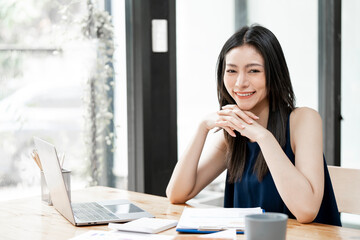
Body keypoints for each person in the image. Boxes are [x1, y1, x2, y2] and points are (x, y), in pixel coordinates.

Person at [166, 25, 341, 226]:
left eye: (254, 71)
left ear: (274, 74)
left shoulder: (303, 120)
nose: (240, 83)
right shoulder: (232, 132)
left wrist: (263, 137)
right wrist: (202, 127)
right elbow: (176, 194)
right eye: (231, 70)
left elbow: (306, 211)